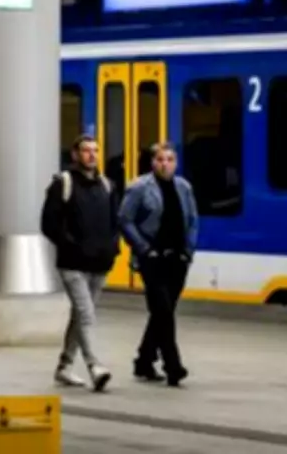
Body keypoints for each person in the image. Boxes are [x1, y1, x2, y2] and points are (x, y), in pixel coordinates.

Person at [41, 134, 119, 391]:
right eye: (86, 151)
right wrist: (70, 244)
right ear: (75, 155)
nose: (92, 155)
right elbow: (48, 224)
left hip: (100, 263)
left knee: (79, 315)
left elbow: (113, 222)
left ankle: (64, 367)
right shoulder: (63, 183)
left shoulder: (107, 186)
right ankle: (95, 366)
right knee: (86, 314)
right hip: (72, 263)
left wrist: (112, 250)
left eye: (95, 150)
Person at [119, 141, 199, 387]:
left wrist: (188, 250)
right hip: (152, 259)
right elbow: (124, 219)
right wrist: (144, 249)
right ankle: (173, 366)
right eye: (160, 159)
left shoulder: (183, 187)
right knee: (163, 311)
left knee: (162, 313)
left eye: (170, 159)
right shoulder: (140, 187)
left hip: (178, 259)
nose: (165, 164)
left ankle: (144, 360)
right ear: (152, 162)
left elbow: (193, 219)